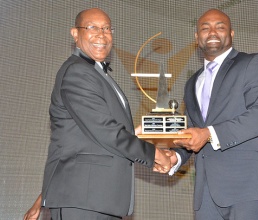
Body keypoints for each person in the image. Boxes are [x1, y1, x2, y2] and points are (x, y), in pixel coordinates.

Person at [23, 8, 171, 220]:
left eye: (107, 28)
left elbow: (90, 137)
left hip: (98, 199)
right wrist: (154, 154)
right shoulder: (77, 72)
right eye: (92, 27)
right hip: (83, 201)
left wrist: (133, 133)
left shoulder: (97, 74)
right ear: (75, 33)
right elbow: (106, 131)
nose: (101, 35)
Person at [170, 9, 258, 220]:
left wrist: (210, 133)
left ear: (231, 34)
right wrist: (174, 157)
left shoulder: (252, 63)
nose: (212, 32)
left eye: (220, 27)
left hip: (246, 186)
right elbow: (193, 133)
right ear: (196, 37)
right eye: (205, 28)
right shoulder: (192, 82)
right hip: (205, 192)